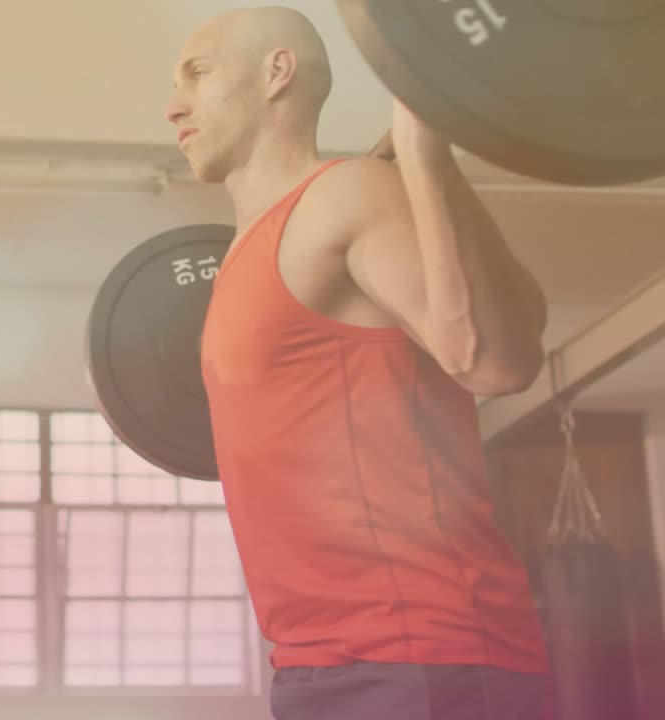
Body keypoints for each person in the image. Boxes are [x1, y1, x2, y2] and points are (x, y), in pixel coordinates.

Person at [167, 8, 552, 720]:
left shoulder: (345, 195)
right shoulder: (244, 256)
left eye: (198, 73)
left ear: (275, 73)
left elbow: (497, 362)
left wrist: (425, 156)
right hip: (314, 662)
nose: (173, 104)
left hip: (424, 652)